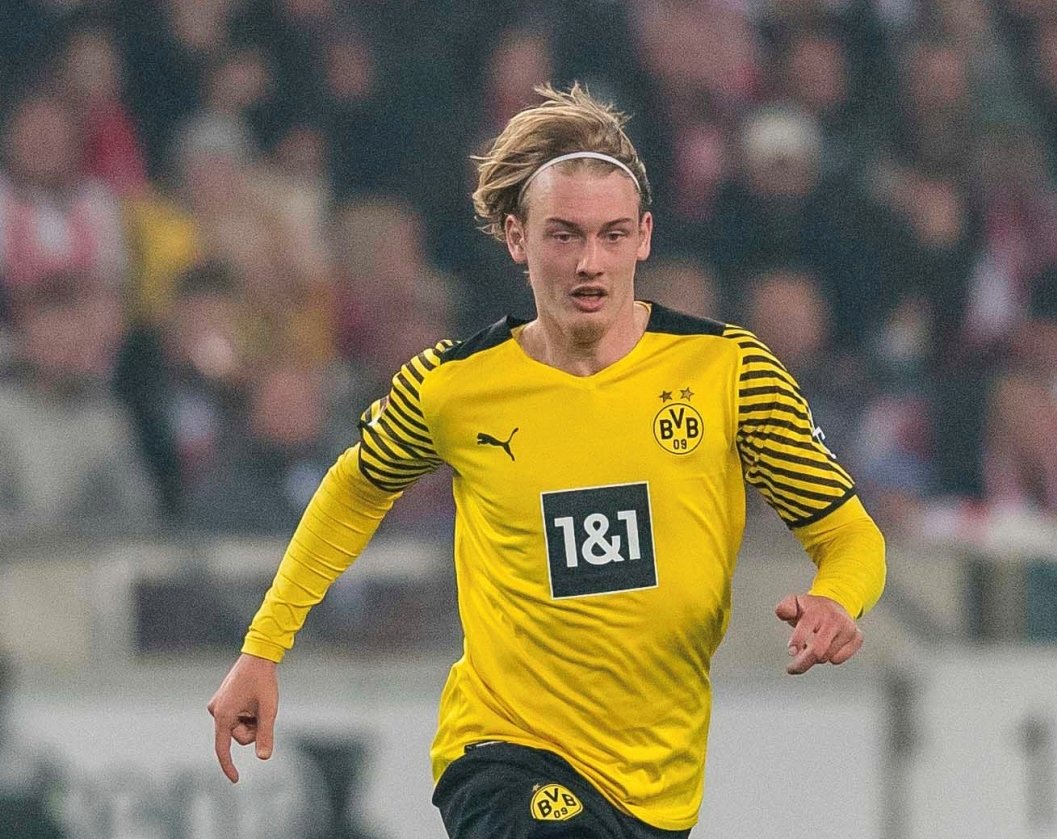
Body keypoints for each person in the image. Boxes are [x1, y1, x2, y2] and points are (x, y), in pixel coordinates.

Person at [207, 83, 886, 838]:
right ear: (516, 238)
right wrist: (263, 647)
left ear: (645, 237)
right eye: (564, 236)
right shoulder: (453, 385)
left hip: (656, 781)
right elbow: (353, 490)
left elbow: (850, 536)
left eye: (612, 235)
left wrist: (838, 598)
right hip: (503, 749)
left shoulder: (729, 372)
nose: (590, 263)